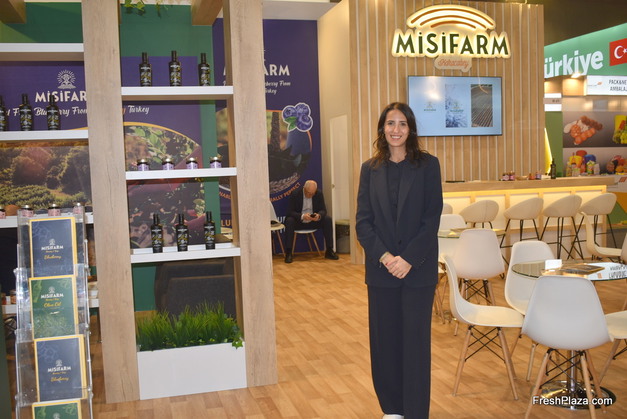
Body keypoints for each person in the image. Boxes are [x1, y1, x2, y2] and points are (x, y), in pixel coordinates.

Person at [356, 102, 443, 419]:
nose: (396, 129)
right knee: (385, 343)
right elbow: (363, 222)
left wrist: (408, 259)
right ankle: (391, 409)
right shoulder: (370, 169)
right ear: (382, 129)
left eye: (402, 123)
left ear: (411, 129)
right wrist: (386, 257)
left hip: (417, 272)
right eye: (390, 123)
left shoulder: (428, 165)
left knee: (415, 344)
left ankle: (416, 412)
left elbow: (431, 218)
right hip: (382, 272)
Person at [283, 180, 339, 263]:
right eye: (309, 193)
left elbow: (323, 210)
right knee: (289, 221)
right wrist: (302, 216)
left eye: (313, 193)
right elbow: (290, 212)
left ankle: (329, 250)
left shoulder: (318, 194)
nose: (310, 195)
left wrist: (318, 215)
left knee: (327, 219)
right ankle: (289, 252)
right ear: (304, 189)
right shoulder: (295, 194)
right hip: (299, 221)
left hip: (313, 221)